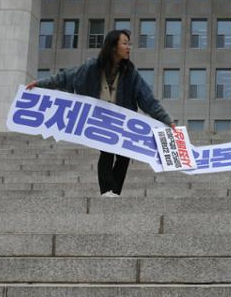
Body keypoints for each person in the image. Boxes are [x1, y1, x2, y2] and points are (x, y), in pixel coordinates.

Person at [26, 30, 175, 197]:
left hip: (122, 121)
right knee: (107, 150)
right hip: (99, 119)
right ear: (113, 47)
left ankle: (115, 192)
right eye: (124, 43)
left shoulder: (131, 73)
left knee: (124, 156)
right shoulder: (91, 68)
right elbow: (64, 78)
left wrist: (168, 121)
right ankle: (106, 191)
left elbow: (149, 100)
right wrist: (38, 84)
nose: (128, 47)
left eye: (129, 44)